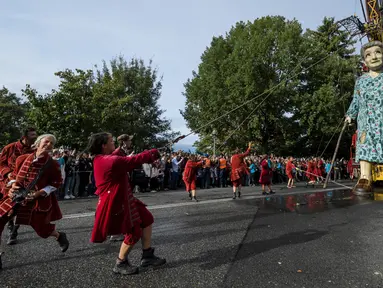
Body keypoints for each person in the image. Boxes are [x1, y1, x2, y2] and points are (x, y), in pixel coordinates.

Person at [88, 132, 166, 275]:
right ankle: (120, 262)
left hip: (125, 198)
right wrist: (154, 152)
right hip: (116, 202)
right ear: (104, 146)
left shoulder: (105, 158)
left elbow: (118, 155)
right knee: (133, 231)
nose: (114, 143)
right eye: (111, 141)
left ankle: (147, 255)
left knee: (147, 219)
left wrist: (124, 147)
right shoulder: (108, 161)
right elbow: (133, 161)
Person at [0, 134, 69, 270]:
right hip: (14, 198)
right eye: (46, 142)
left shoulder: (52, 164)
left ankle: (59, 235)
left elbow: (56, 183)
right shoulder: (22, 158)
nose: (49, 145)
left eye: (51, 143)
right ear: (38, 143)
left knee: (42, 230)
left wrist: (38, 193)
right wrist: (12, 186)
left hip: (35, 201)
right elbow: (13, 176)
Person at [345, 41, 383, 194]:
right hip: (366, 121)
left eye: (378, 52)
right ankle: (365, 177)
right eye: (368, 54)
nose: (373, 57)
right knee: (365, 144)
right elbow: (356, 100)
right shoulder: (361, 81)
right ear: (364, 60)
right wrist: (350, 114)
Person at [0, 127, 37, 245]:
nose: (35, 137)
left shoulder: (33, 151)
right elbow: (1, 163)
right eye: (32, 135)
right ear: (24, 137)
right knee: (7, 209)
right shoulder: (9, 148)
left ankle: (14, 231)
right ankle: (10, 225)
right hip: (6, 184)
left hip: (24, 184)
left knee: (19, 206)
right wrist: (8, 173)